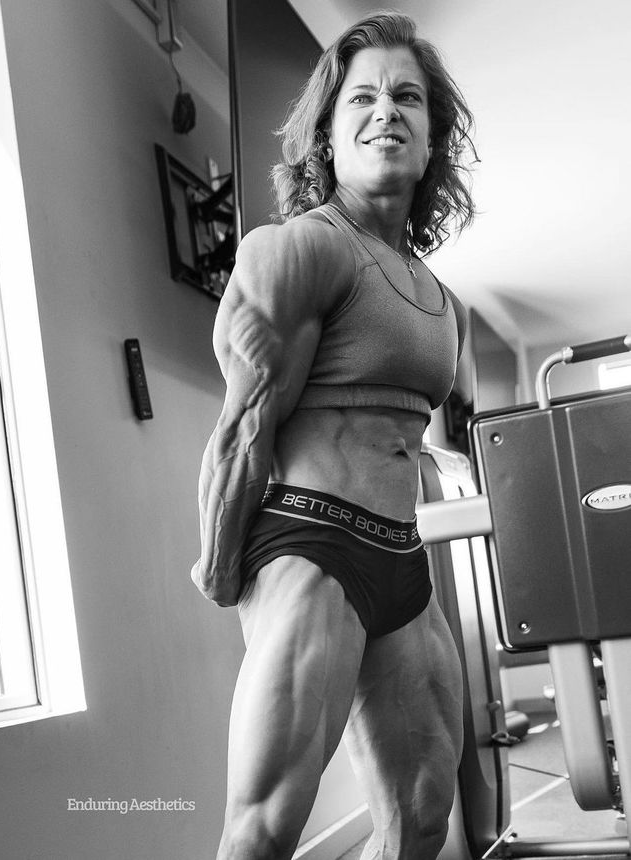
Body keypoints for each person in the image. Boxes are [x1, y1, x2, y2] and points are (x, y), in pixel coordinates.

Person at [191, 11, 477, 860]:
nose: (387, 110)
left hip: (401, 558)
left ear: (432, 138)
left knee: (424, 815)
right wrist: (222, 567)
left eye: (408, 97)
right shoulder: (299, 252)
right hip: (313, 547)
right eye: (363, 96)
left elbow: (400, 426)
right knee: (264, 827)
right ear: (326, 132)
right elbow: (244, 423)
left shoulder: (444, 303)